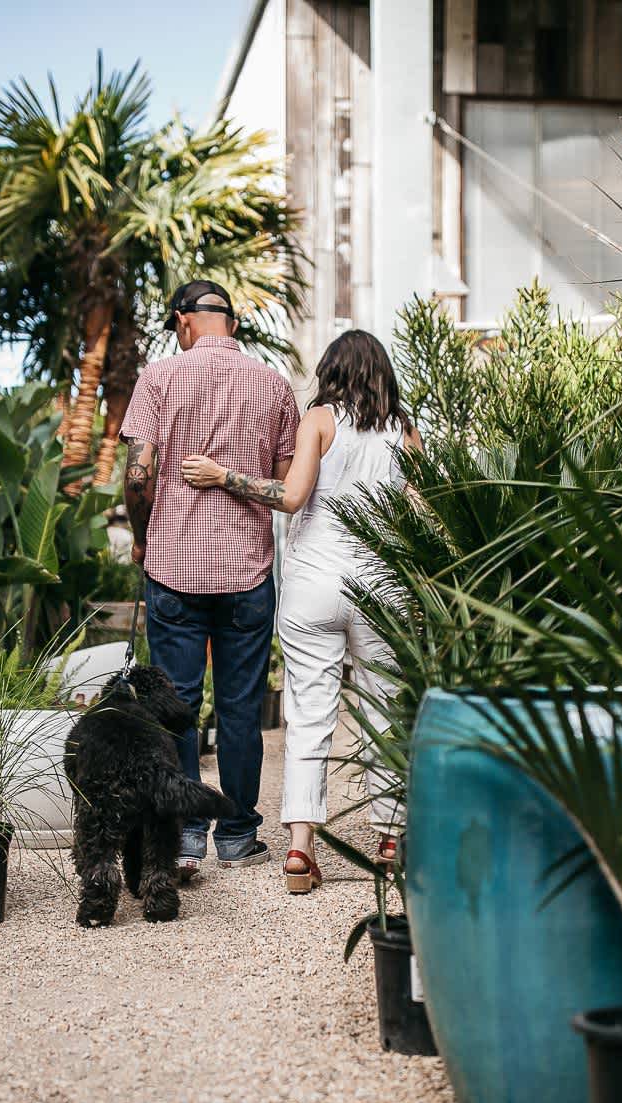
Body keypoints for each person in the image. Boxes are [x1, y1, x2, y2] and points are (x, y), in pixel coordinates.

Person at [181, 329, 420, 894]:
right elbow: (419, 509)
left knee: (309, 717)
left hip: (314, 583)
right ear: (382, 372)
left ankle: (300, 849)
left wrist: (223, 477)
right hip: (381, 586)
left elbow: (290, 498)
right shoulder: (405, 431)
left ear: (332, 371)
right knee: (387, 710)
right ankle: (390, 839)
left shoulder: (318, 419)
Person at [121, 280, 300, 880]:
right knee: (242, 706)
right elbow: (285, 491)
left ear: (183, 322)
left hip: (173, 567)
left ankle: (187, 833)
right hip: (247, 569)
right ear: (230, 322)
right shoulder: (274, 385)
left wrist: (145, 534)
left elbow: (138, 473)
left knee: (176, 707)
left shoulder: (157, 379)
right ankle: (239, 834)